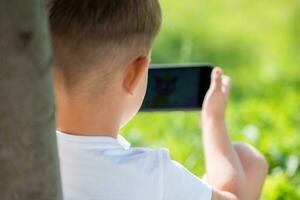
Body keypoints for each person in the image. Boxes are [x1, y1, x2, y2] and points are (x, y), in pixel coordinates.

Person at [47, 0, 268, 199]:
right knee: (249, 161)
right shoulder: (154, 175)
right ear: (134, 73)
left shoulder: (20, 153)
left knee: (246, 159)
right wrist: (213, 123)